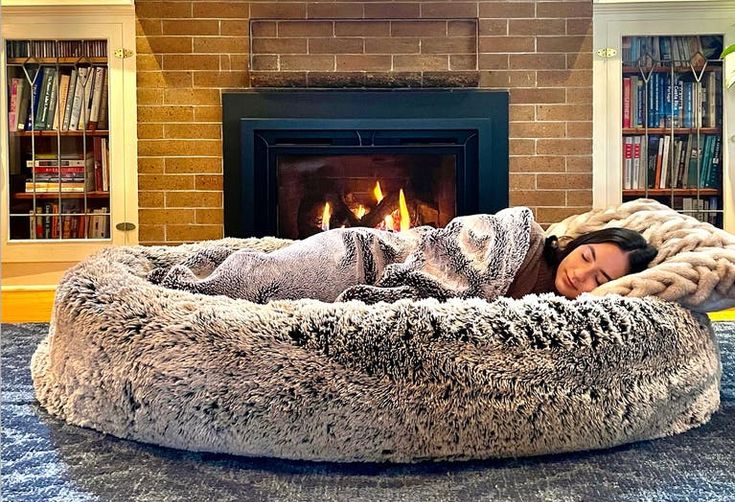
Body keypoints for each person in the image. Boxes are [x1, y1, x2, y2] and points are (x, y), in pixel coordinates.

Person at [154, 209, 658, 303]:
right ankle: (185, 282)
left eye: (600, 277)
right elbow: (452, 248)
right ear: (574, 243)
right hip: (373, 255)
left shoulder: (568, 314)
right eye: (588, 255)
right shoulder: (519, 239)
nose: (583, 273)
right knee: (266, 275)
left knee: (271, 291)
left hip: (379, 279)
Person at [506, 223, 659, 300]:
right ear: (579, 244)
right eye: (585, 257)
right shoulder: (527, 244)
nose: (579, 274)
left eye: (598, 280)